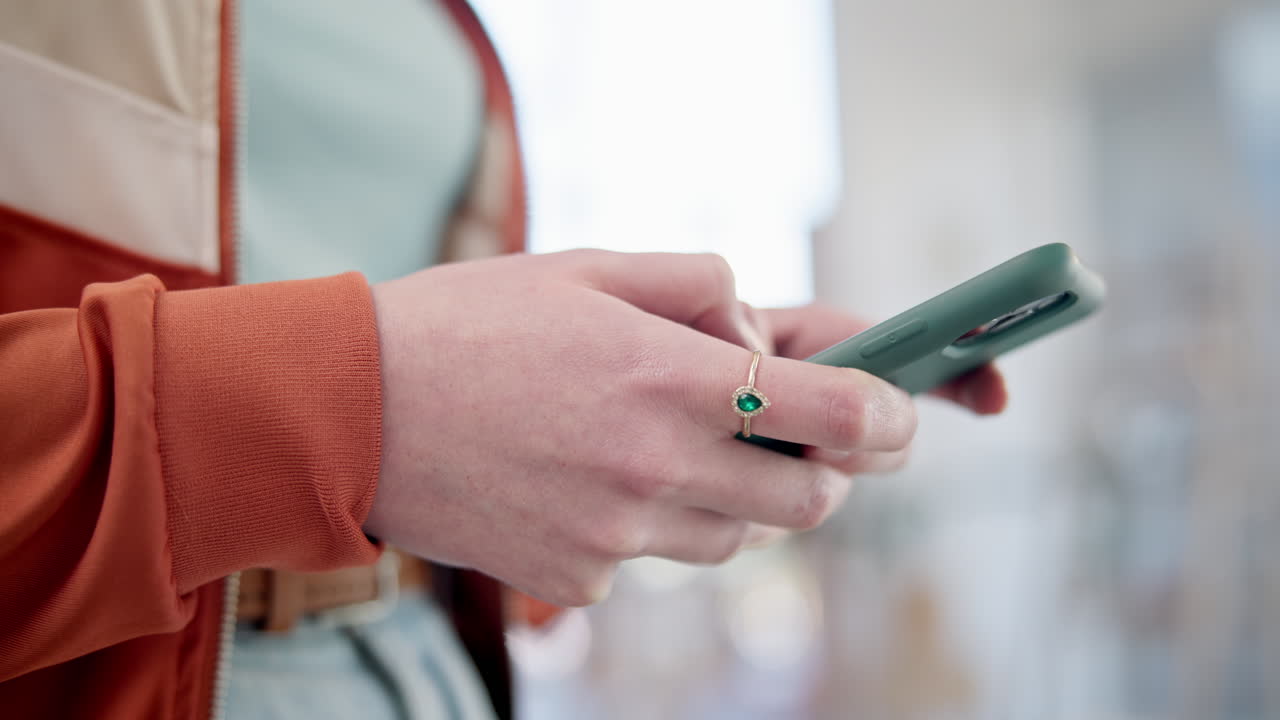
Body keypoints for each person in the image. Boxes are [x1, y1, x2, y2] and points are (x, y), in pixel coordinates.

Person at [0, 1, 1008, 718]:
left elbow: (437, 461)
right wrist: (355, 411)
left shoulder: (451, 27)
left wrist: (662, 405)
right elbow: (372, 406)